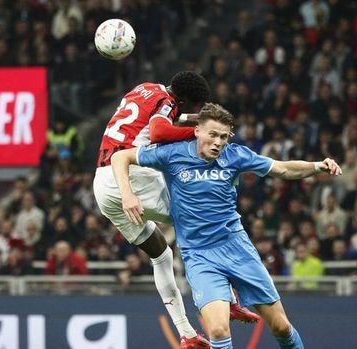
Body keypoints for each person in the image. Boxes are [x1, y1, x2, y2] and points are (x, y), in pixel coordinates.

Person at [111, 103, 343, 349]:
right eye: (212, 134)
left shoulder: (235, 155)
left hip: (237, 248)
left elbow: (282, 168)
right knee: (219, 330)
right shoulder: (172, 154)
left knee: (281, 326)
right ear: (197, 130)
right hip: (199, 256)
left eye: (224, 136)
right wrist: (127, 194)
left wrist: (317, 166)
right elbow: (120, 157)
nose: (218, 142)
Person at [93, 72, 257, 349]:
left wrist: (197, 121)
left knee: (161, 253)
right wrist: (198, 134)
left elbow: (158, 121)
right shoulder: (168, 101)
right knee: (206, 221)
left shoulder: (145, 88)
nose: (194, 112)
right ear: (181, 99)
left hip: (104, 184)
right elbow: (158, 131)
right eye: (193, 107)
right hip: (133, 177)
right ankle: (226, 299)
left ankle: (187, 333)